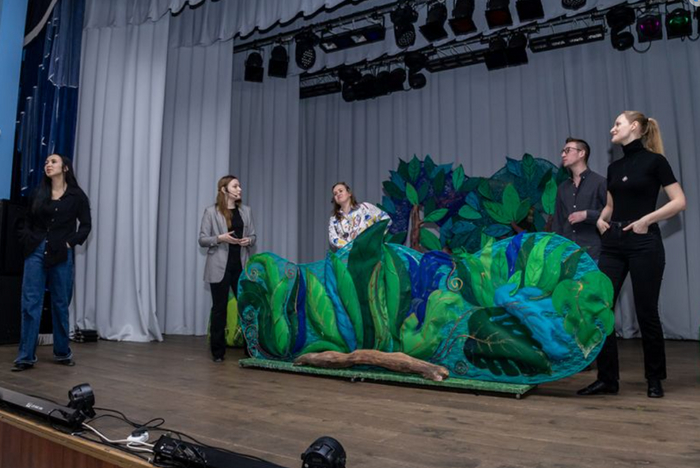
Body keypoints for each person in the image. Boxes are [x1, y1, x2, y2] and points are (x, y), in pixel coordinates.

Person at [578, 112, 686, 398]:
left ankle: (654, 379)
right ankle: (607, 379)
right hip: (613, 244)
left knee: (646, 312)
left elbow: (679, 201)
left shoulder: (656, 162)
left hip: (643, 243)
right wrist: (601, 220)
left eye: (618, 124)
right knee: (600, 308)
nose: (612, 129)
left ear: (634, 127)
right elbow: (611, 206)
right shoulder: (614, 167)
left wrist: (647, 219)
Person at [12, 154, 92, 372]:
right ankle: (25, 357)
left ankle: (62, 352)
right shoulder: (38, 192)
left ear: (65, 168)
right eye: (46, 162)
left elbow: (86, 225)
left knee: (60, 303)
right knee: (30, 303)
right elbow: (25, 221)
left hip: (61, 254)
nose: (48, 164)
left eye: (53, 162)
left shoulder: (77, 196)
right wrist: (28, 240)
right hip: (36, 251)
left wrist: (69, 243)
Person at [198, 175, 256, 362]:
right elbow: (202, 239)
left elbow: (253, 236)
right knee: (219, 310)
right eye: (235, 186)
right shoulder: (211, 212)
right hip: (218, 267)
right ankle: (217, 353)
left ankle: (251, 350)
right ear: (224, 190)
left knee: (246, 309)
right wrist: (220, 238)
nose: (240, 189)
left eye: (239, 186)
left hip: (241, 267)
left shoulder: (246, 211)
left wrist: (249, 241)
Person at [553, 137, 607, 261]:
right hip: (567, 255)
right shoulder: (562, 188)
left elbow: (611, 214)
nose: (563, 155)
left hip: (593, 255)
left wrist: (587, 215)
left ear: (581, 153)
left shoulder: (600, 182)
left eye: (567, 150)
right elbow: (558, 223)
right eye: (562, 151)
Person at [328, 182, 389, 250]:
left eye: (340, 191)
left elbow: (386, 219)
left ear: (349, 193)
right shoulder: (334, 219)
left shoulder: (365, 207)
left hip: (372, 251)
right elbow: (333, 239)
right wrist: (351, 248)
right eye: (335, 193)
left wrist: (376, 238)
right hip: (349, 255)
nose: (338, 194)